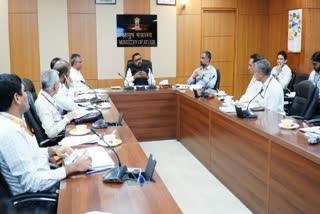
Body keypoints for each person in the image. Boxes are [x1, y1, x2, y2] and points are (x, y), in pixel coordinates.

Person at [0, 73, 92, 196]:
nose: (27, 95)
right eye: (24, 92)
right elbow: (31, 183)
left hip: (45, 180)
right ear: (17, 98)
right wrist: (72, 168)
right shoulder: (9, 133)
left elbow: (30, 154)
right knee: (88, 191)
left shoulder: (13, 121)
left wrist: (53, 150)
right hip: (37, 199)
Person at [35, 70, 76, 138]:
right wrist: (66, 120)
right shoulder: (43, 105)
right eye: (59, 83)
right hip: (59, 140)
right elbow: (51, 133)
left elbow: (55, 119)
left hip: (62, 130)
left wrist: (65, 118)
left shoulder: (47, 96)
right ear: (55, 86)